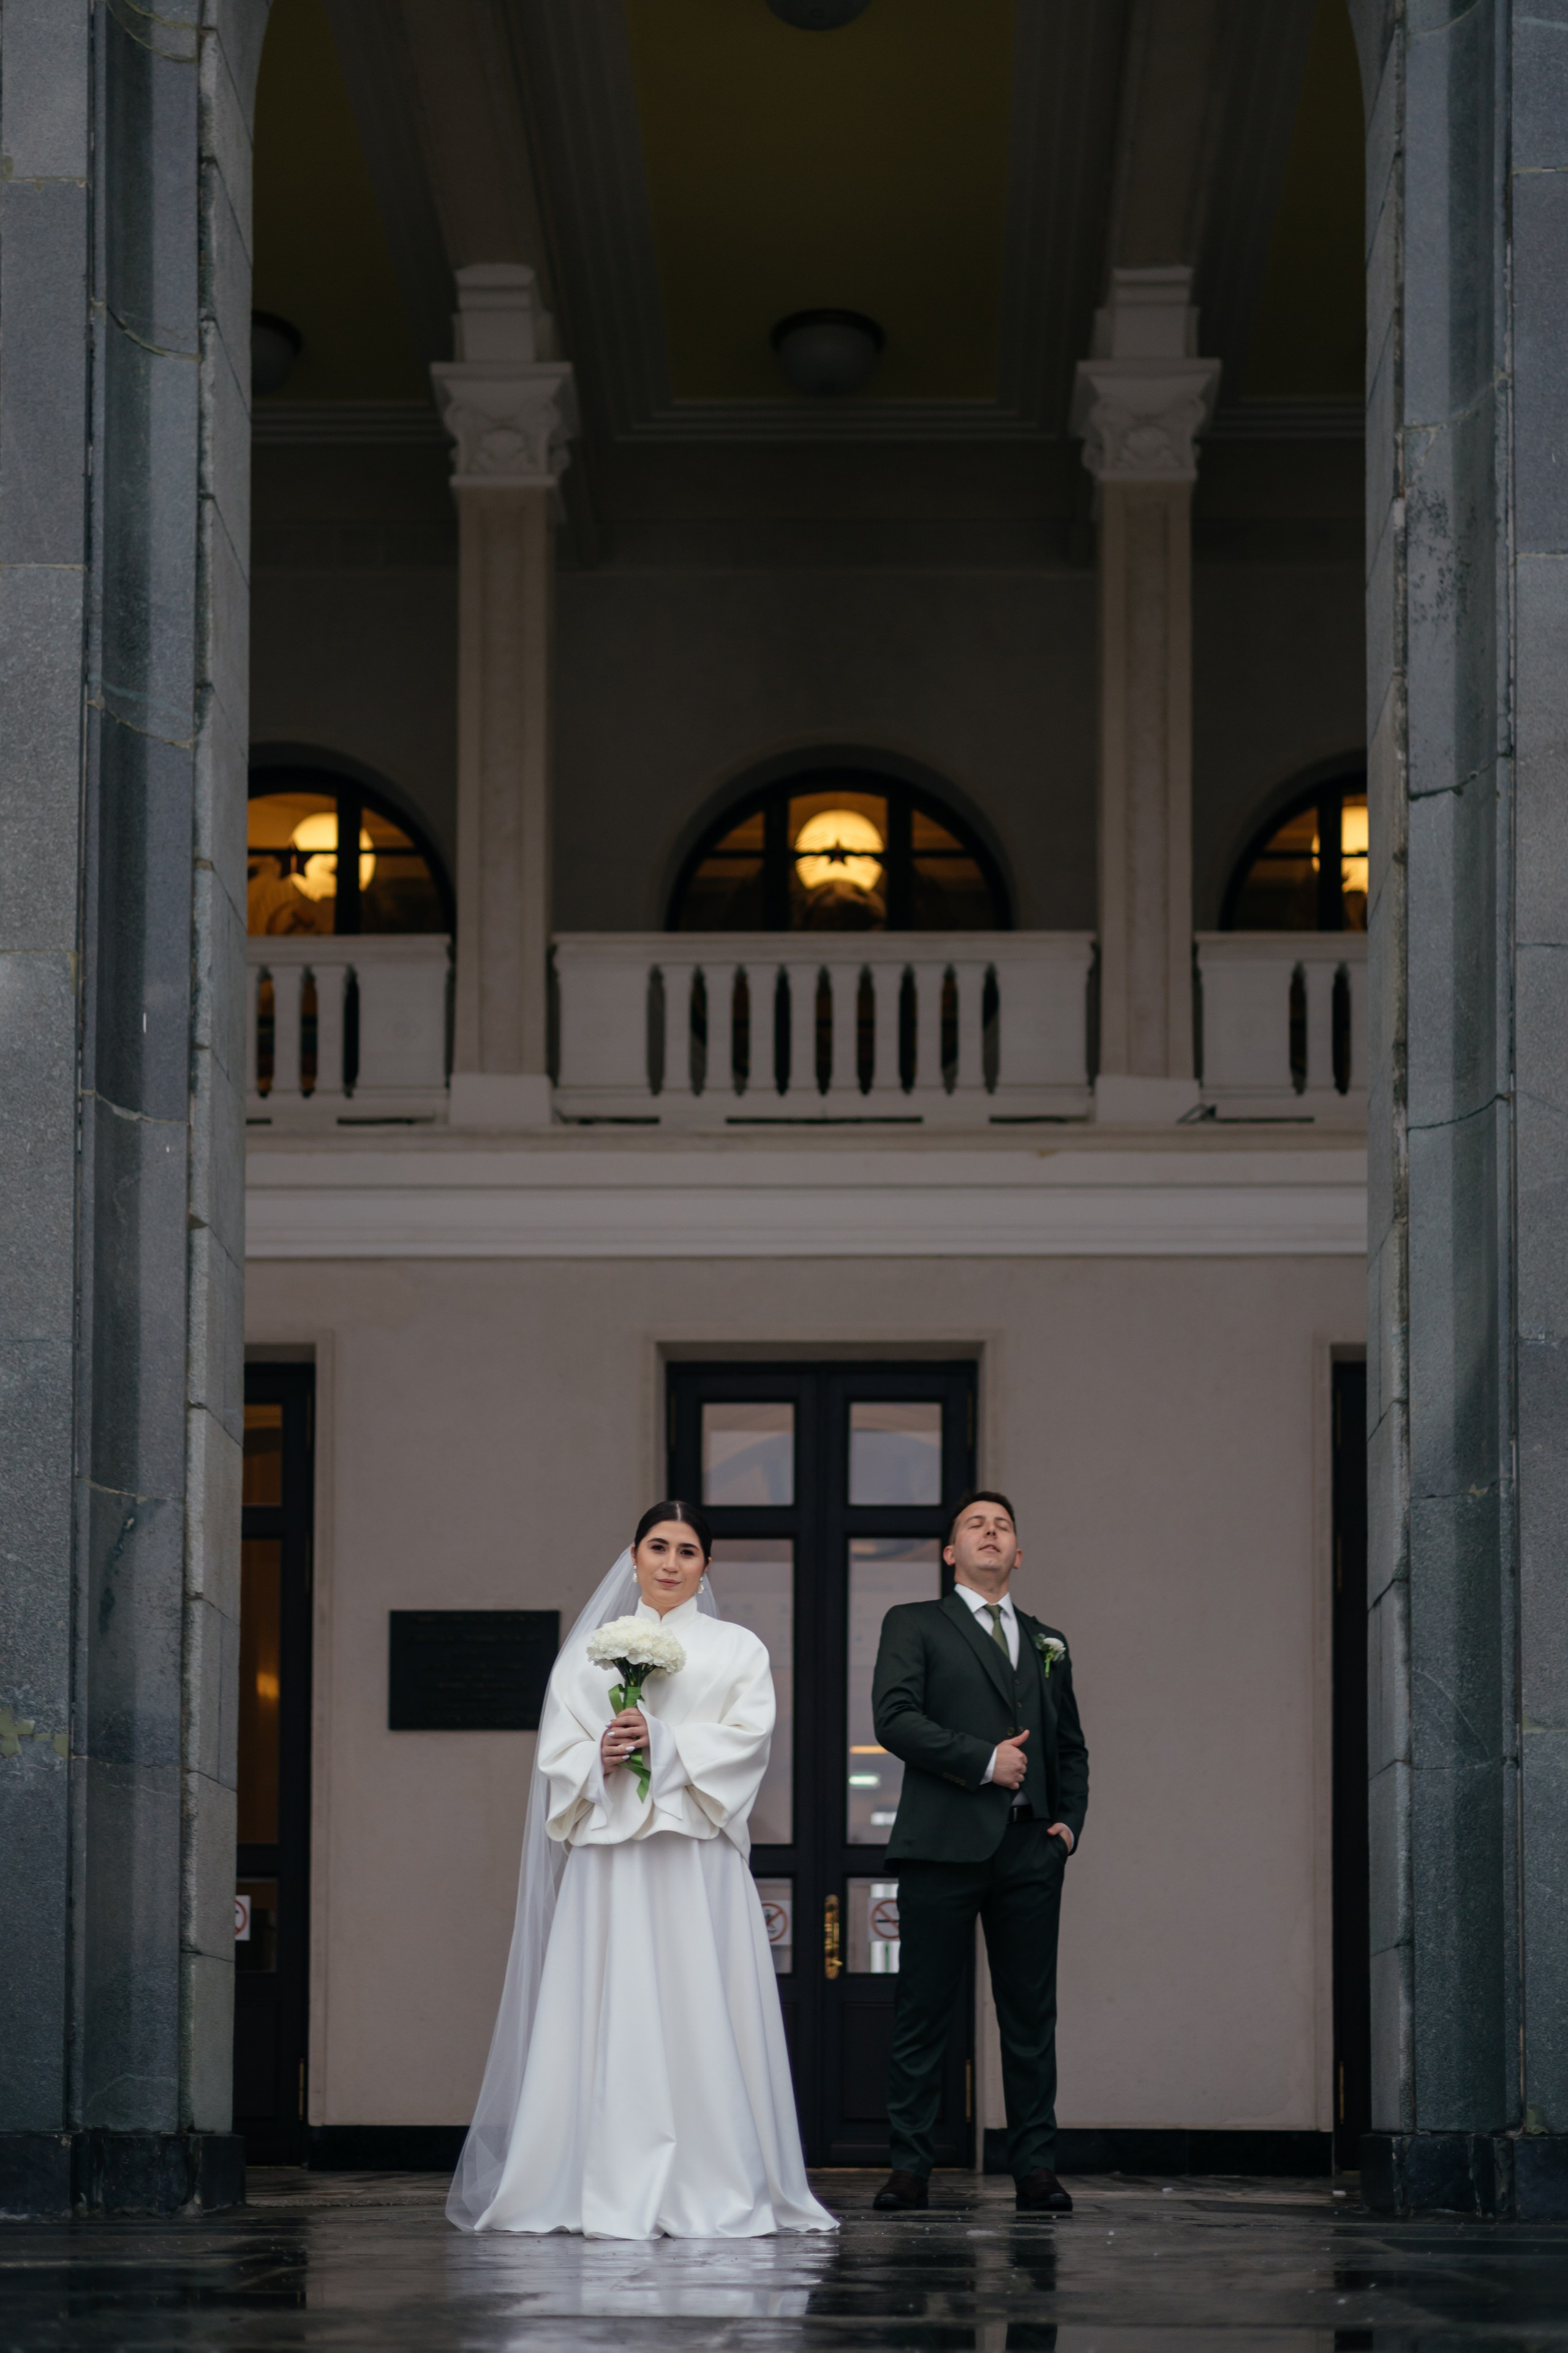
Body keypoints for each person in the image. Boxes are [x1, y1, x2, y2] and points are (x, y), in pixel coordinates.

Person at [447, 1500, 837, 2241]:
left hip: (693, 1860)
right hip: (612, 1862)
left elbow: (748, 1741)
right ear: (632, 1556)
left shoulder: (737, 1649)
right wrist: (600, 1755)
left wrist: (661, 1738)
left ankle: (712, 2175)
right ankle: (592, 2174)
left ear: (706, 1566)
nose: (669, 1562)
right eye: (657, 1546)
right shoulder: (587, 1652)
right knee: (610, 2000)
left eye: (687, 1551)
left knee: (697, 2000)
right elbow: (557, 1753)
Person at [870, 1490, 1088, 2214]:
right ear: (950, 1552)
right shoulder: (913, 1624)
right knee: (922, 2010)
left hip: (1030, 1849)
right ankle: (909, 2166)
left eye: (1002, 1526)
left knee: (1030, 2016)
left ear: (1017, 1554)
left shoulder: (1048, 1638)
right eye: (975, 1525)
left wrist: (1067, 1826)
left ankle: (1035, 2168)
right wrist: (981, 1761)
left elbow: (1069, 1746)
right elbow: (895, 1718)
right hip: (941, 1845)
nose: (989, 1533)